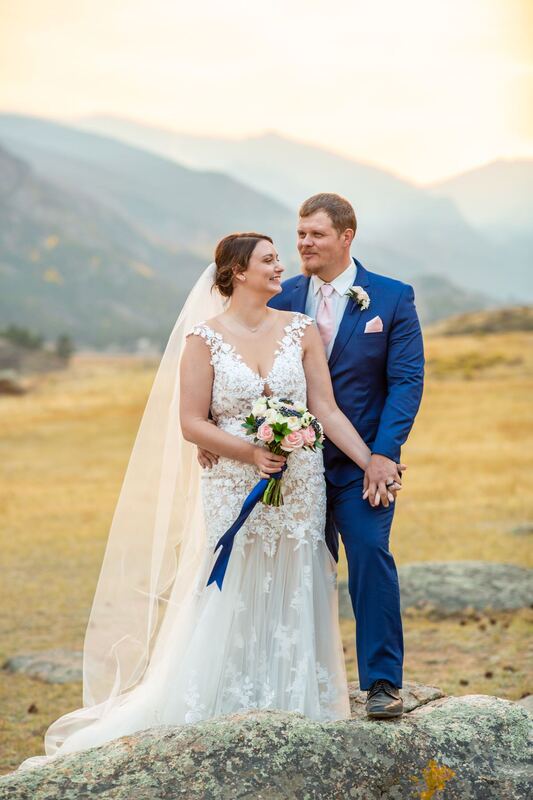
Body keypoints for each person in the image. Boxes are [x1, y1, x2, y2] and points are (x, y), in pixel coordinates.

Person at [18, 231, 398, 771]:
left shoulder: (302, 330)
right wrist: (249, 451)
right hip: (233, 482)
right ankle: (224, 699)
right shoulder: (204, 338)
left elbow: (327, 410)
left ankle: (295, 699)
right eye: (269, 259)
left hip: (300, 483)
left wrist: (371, 461)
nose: (280, 266)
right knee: (235, 577)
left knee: (296, 574)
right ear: (238, 272)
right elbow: (191, 421)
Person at [265, 193, 425, 717]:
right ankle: (293, 681)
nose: (304, 243)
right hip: (293, 465)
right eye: (301, 233)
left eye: (316, 234)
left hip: (364, 467)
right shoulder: (281, 297)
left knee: (370, 558)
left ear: (346, 236)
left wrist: (383, 454)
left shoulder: (392, 298)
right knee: (293, 569)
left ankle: (382, 684)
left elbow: (405, 382)